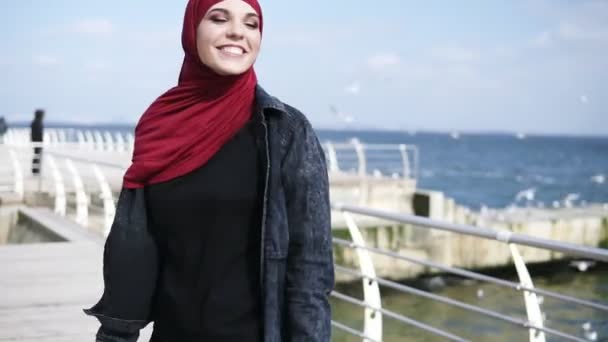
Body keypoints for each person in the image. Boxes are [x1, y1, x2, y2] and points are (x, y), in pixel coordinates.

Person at [84, 0, 334, 341]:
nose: (238, 32)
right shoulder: (161, 125)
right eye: (218, 18)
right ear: (191, 31)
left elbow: (311, 270)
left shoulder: (285, 130)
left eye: (251, 24)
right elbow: (136, 252)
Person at [30, 109, 44, 174]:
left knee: (37, 155)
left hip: (36, 141)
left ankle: (36, 169)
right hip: (37, 141)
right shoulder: (37, 122)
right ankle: (35, 170)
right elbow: (38, 133)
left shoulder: (35, 122)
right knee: (37, 155)